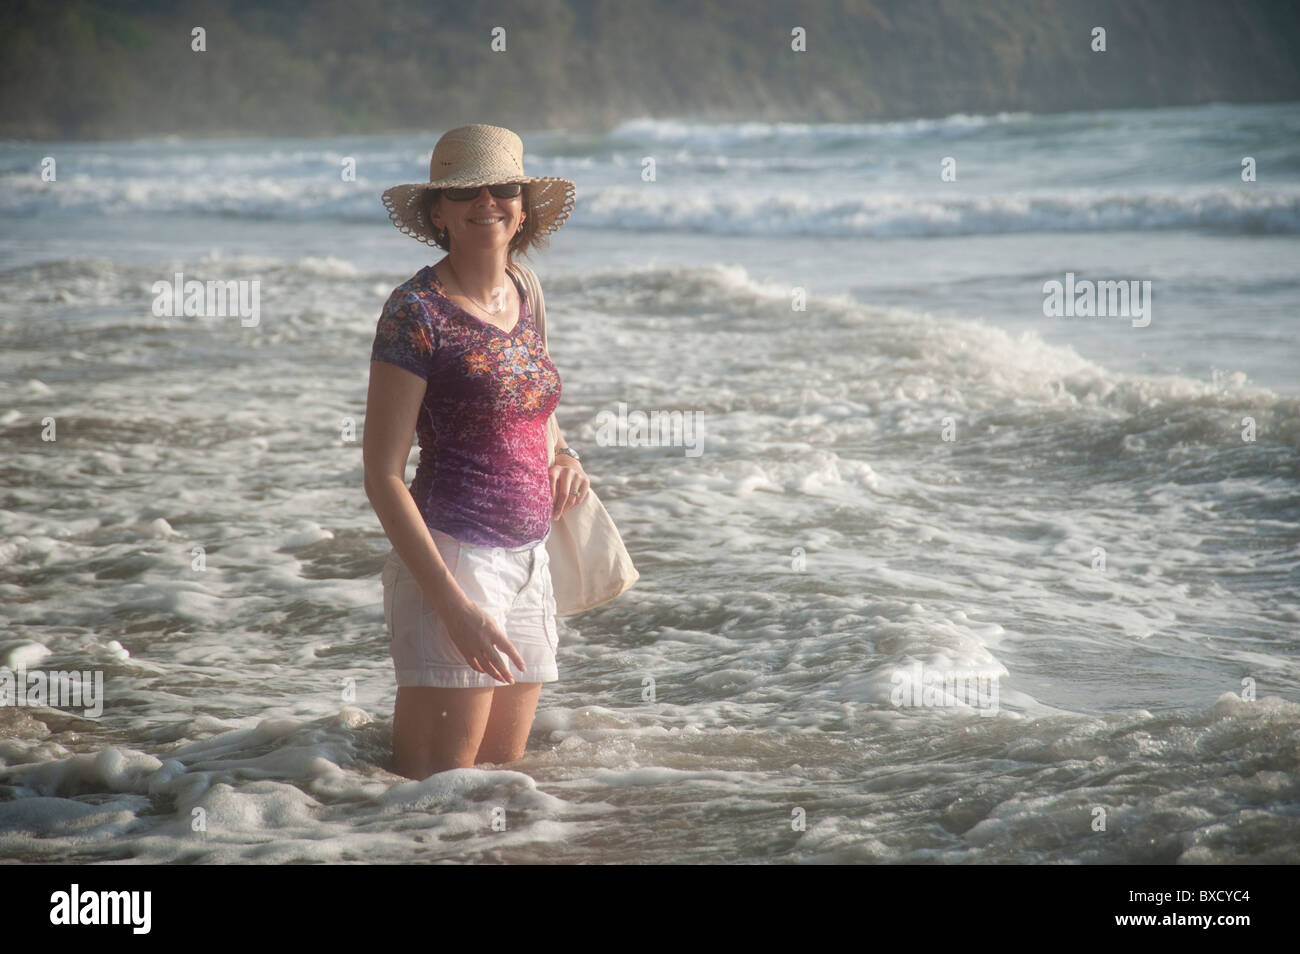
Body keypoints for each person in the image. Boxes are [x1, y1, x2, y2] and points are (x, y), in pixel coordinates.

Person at [364, 125, 584, 780]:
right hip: (454, 558)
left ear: (524, 206)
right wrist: (453, 606)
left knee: (500, 791)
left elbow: (531, 403)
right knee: (430, 801)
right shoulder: (416, 313)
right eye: (464, 190)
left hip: (528, 560)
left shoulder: (524, 287)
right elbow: (381, 475)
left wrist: (565, 454)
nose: (485, 200)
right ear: (438, 212)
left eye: (502, 188)